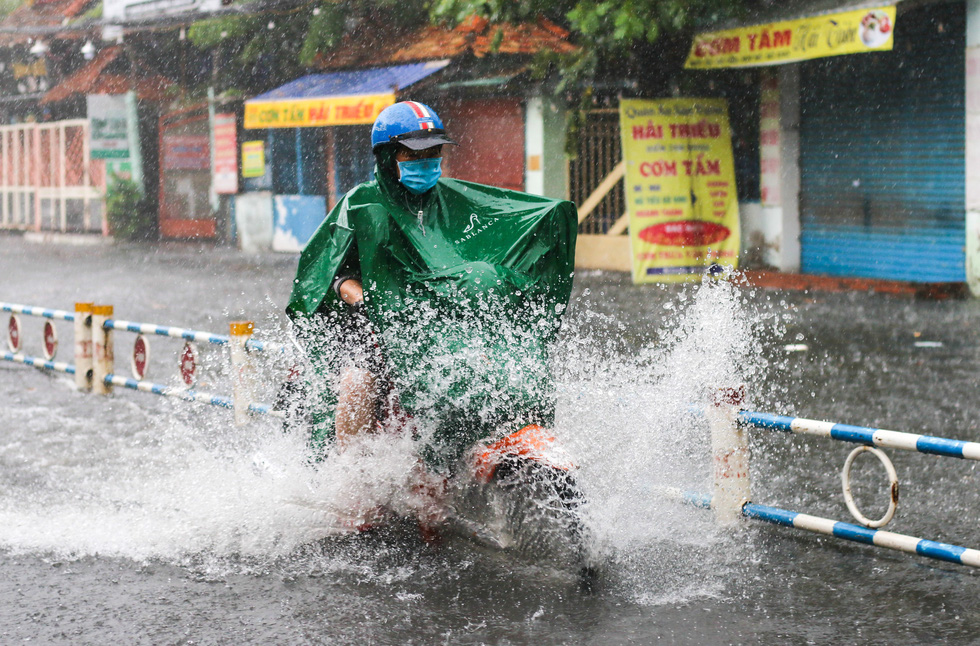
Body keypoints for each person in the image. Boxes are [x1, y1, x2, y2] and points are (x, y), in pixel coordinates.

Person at [286, 100, 577, 475]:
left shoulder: (458, 202)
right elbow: (327, 276)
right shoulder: (361, 206)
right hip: (376, 322)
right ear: (390, 156)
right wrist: (365, 299)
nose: (427, 161)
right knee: (361, 377)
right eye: (414, 153)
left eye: (434, 152)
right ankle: (353, 477)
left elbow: (514, 225)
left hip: (443, 322)